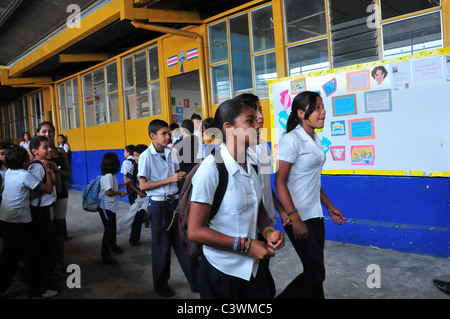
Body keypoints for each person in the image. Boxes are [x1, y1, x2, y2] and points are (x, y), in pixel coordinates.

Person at [188, 99, 285, 299]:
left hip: (254, 267)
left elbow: (257, 206)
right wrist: (247, 245)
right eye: (250, 120)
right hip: (222, 270)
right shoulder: (211, 169)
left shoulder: (254, 164)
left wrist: (268, 231)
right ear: (229, 128)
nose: (258, 124)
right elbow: (195, 231)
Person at [275, 91, 345, 299]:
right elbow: (279, 182)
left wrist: (329, 206)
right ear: (301, 113)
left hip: (314, 213)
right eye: (317, 107)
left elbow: (312, 180)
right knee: (315, 273)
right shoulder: (291, 140)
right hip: (297, 216)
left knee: (316, 271)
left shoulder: (314, 138)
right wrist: (294, 217)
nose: (323, 112)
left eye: (322, 107)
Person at [235, 93, 287, 298]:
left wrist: (282, 210)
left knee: (263, 278)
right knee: (254, 285)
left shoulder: (263, 146)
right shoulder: (238, 152)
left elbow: (265, 186)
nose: (260, 115)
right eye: (254, 111)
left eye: (261, 109)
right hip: (247, 229)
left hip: (265, 225)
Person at [138, 119, 198, 297]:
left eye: (169, 134)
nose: (167, 137)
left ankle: (195, 281)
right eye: (164, 134)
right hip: (158, 205)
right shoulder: (145, 156)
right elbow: (143, 185)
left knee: (183, 242)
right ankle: (161, 283)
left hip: (175, 203)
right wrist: (170, 179)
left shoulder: (172, 152)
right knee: (161, 245)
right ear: (153, 135)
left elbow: (177, 175)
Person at [0, 145, 58, 299]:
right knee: (32, 258)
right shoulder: (25, 176)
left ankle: (3, 287)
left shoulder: (9, 173)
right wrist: (48, 171)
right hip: (20, 222)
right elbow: (48, 189)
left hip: (5, 220)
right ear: (25, 163)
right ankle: (37, 291)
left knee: (8, 257)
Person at [35, 122, 71, 271]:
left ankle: (60, 260)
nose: (48, 134)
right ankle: (48, 261)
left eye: (51, 132)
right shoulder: (33, 153)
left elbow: (69, 174)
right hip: (43, 195)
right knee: (45, 228)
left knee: (59, 226)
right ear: (38, 134)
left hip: (60, 193)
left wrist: (57, 171)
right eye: (44, 131)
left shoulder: (61, 152)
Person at [28, 136, 59, 284]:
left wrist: (50, 171)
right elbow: (32, 193)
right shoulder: (36, 167)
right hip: (39, 211)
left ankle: (49, 274)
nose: (49, 149)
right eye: (45, 147)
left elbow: (53, 186)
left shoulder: (45, 165)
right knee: (44, 246)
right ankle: (43, 279)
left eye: (50, 146)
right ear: (35, 151)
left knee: (49, 244)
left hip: (46, 208)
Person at [98, 152, 128, 265]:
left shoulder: (109, 176)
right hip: (106, 207)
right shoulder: (108, 176)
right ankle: (105, 256)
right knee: (109, 230)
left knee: (112, 228)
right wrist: (120, 193)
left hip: (109, 207)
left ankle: (113, 246)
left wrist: (125, 184)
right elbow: (109, 192)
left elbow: (113, 187)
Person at [116, 144, 148, 246]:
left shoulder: (149, 165)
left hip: (151, 196)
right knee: (137, 218)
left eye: (138, 155)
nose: (136, 158)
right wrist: (139, 192)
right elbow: (129, 181)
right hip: (140, 197)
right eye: (135, 155)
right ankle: (134, 239)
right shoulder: (134, 166)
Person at [172, 119, 200, 191]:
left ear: (182, 129)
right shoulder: (199, 142)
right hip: (197, 174)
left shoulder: (178, 144)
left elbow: (173, 159)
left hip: (183, 176)